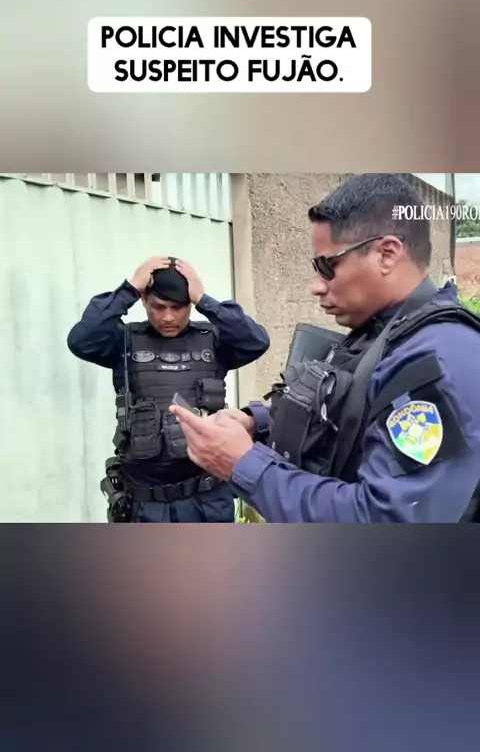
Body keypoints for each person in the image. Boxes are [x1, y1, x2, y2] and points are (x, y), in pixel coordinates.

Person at [170, 173, 480, 523]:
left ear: (387, 254)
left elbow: (385, 521)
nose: (316, 286)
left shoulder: (438, 357)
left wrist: (244, 465)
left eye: (327, 266)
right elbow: (347, 414)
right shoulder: (383, 332)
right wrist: (257, 424)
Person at [67, 256, 270, 523]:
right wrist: (129, 288)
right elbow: (82, 339)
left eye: (178, 307)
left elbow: (256, 341)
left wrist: (204, 300)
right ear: (143, 300)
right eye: (158, 307)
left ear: (190, 304)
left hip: (207, 500)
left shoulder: (214, 341)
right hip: (145, 503)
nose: (168, 317)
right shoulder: (124, 341)